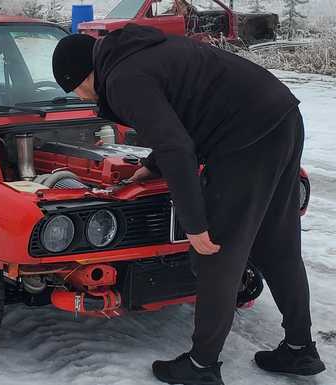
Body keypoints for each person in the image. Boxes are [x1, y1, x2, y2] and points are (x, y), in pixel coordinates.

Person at [51, 25, 325, 385]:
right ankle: (299, 349)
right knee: (278, 243)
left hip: (244, 138)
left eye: (75, 90)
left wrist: (195, 224)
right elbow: (185, 113)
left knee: (216, 253)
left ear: (82, 74)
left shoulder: (121, 78)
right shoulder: (136, 53)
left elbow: (178, 147)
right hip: (281, 116)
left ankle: (201, 366)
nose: (83, 98)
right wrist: (150, 167)